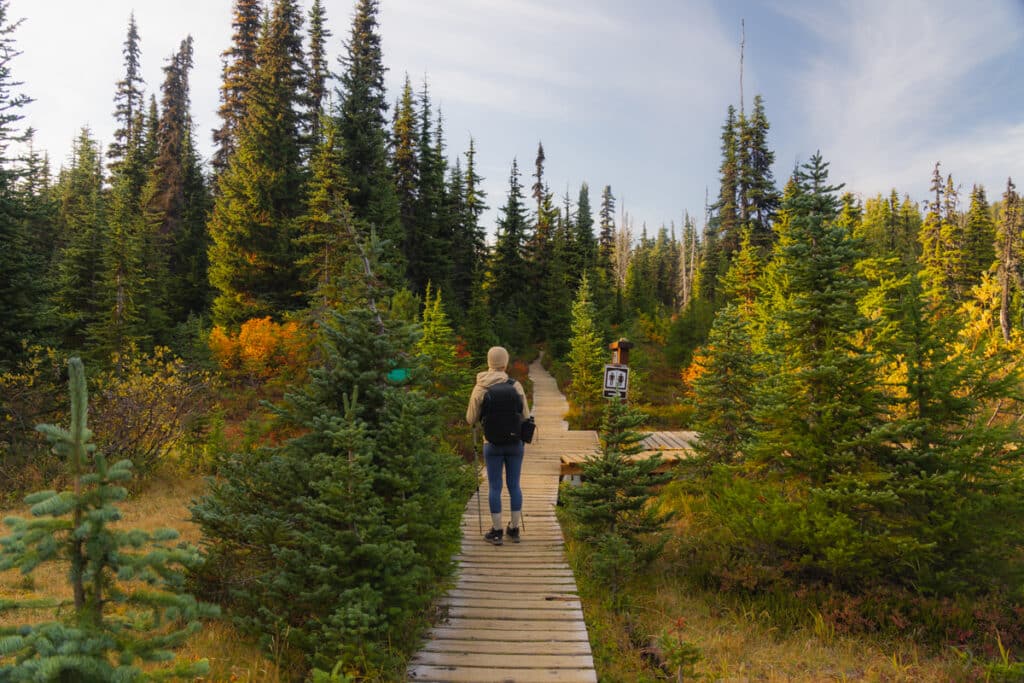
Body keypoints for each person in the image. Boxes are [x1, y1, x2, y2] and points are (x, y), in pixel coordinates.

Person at [466, 346, 531, 546]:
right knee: (514, 485)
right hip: (515, 443)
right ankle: (514, 528)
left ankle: (496, 531)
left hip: (491, 444)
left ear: (489, 362)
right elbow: (526, 416)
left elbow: (470, 419)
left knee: (495, 486)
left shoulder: (480, 387)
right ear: (505, 362)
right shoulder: (515, 385)